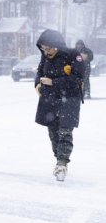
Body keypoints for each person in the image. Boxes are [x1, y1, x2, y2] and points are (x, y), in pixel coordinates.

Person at [35, 30, 85, 182]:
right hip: (49, 100)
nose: (46, 52)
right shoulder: (45, 57)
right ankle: (59, 158)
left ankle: (62, 163)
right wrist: (37, 84)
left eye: (49, 48)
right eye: (43, 48)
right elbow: (39, 72)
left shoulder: (73, 55)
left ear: (57, 45)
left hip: (68, 100)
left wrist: (54, 82)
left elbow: (78, 78)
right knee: (53, 133)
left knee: (65, 131)